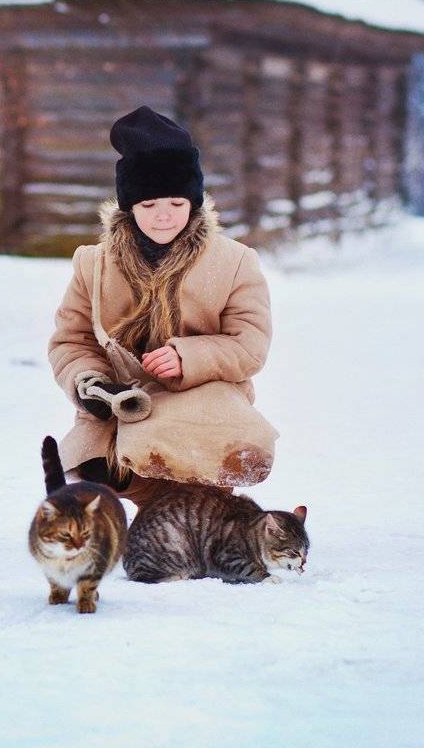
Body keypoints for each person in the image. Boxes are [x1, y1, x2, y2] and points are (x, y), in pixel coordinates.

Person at [46, 105, 273, 507]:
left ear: (194, 202)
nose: (163, 217)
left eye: (176, 203)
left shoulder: (235, 262)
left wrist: (190, 358)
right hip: (125, 401)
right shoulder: (93, 265)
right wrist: (91, 383)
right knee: (99, 469)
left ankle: (200, 506)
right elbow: (72, 341)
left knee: (211, 463)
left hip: (203, 398)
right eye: (148, 206)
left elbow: (249, 344)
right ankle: (158, 509)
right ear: (129, 206)